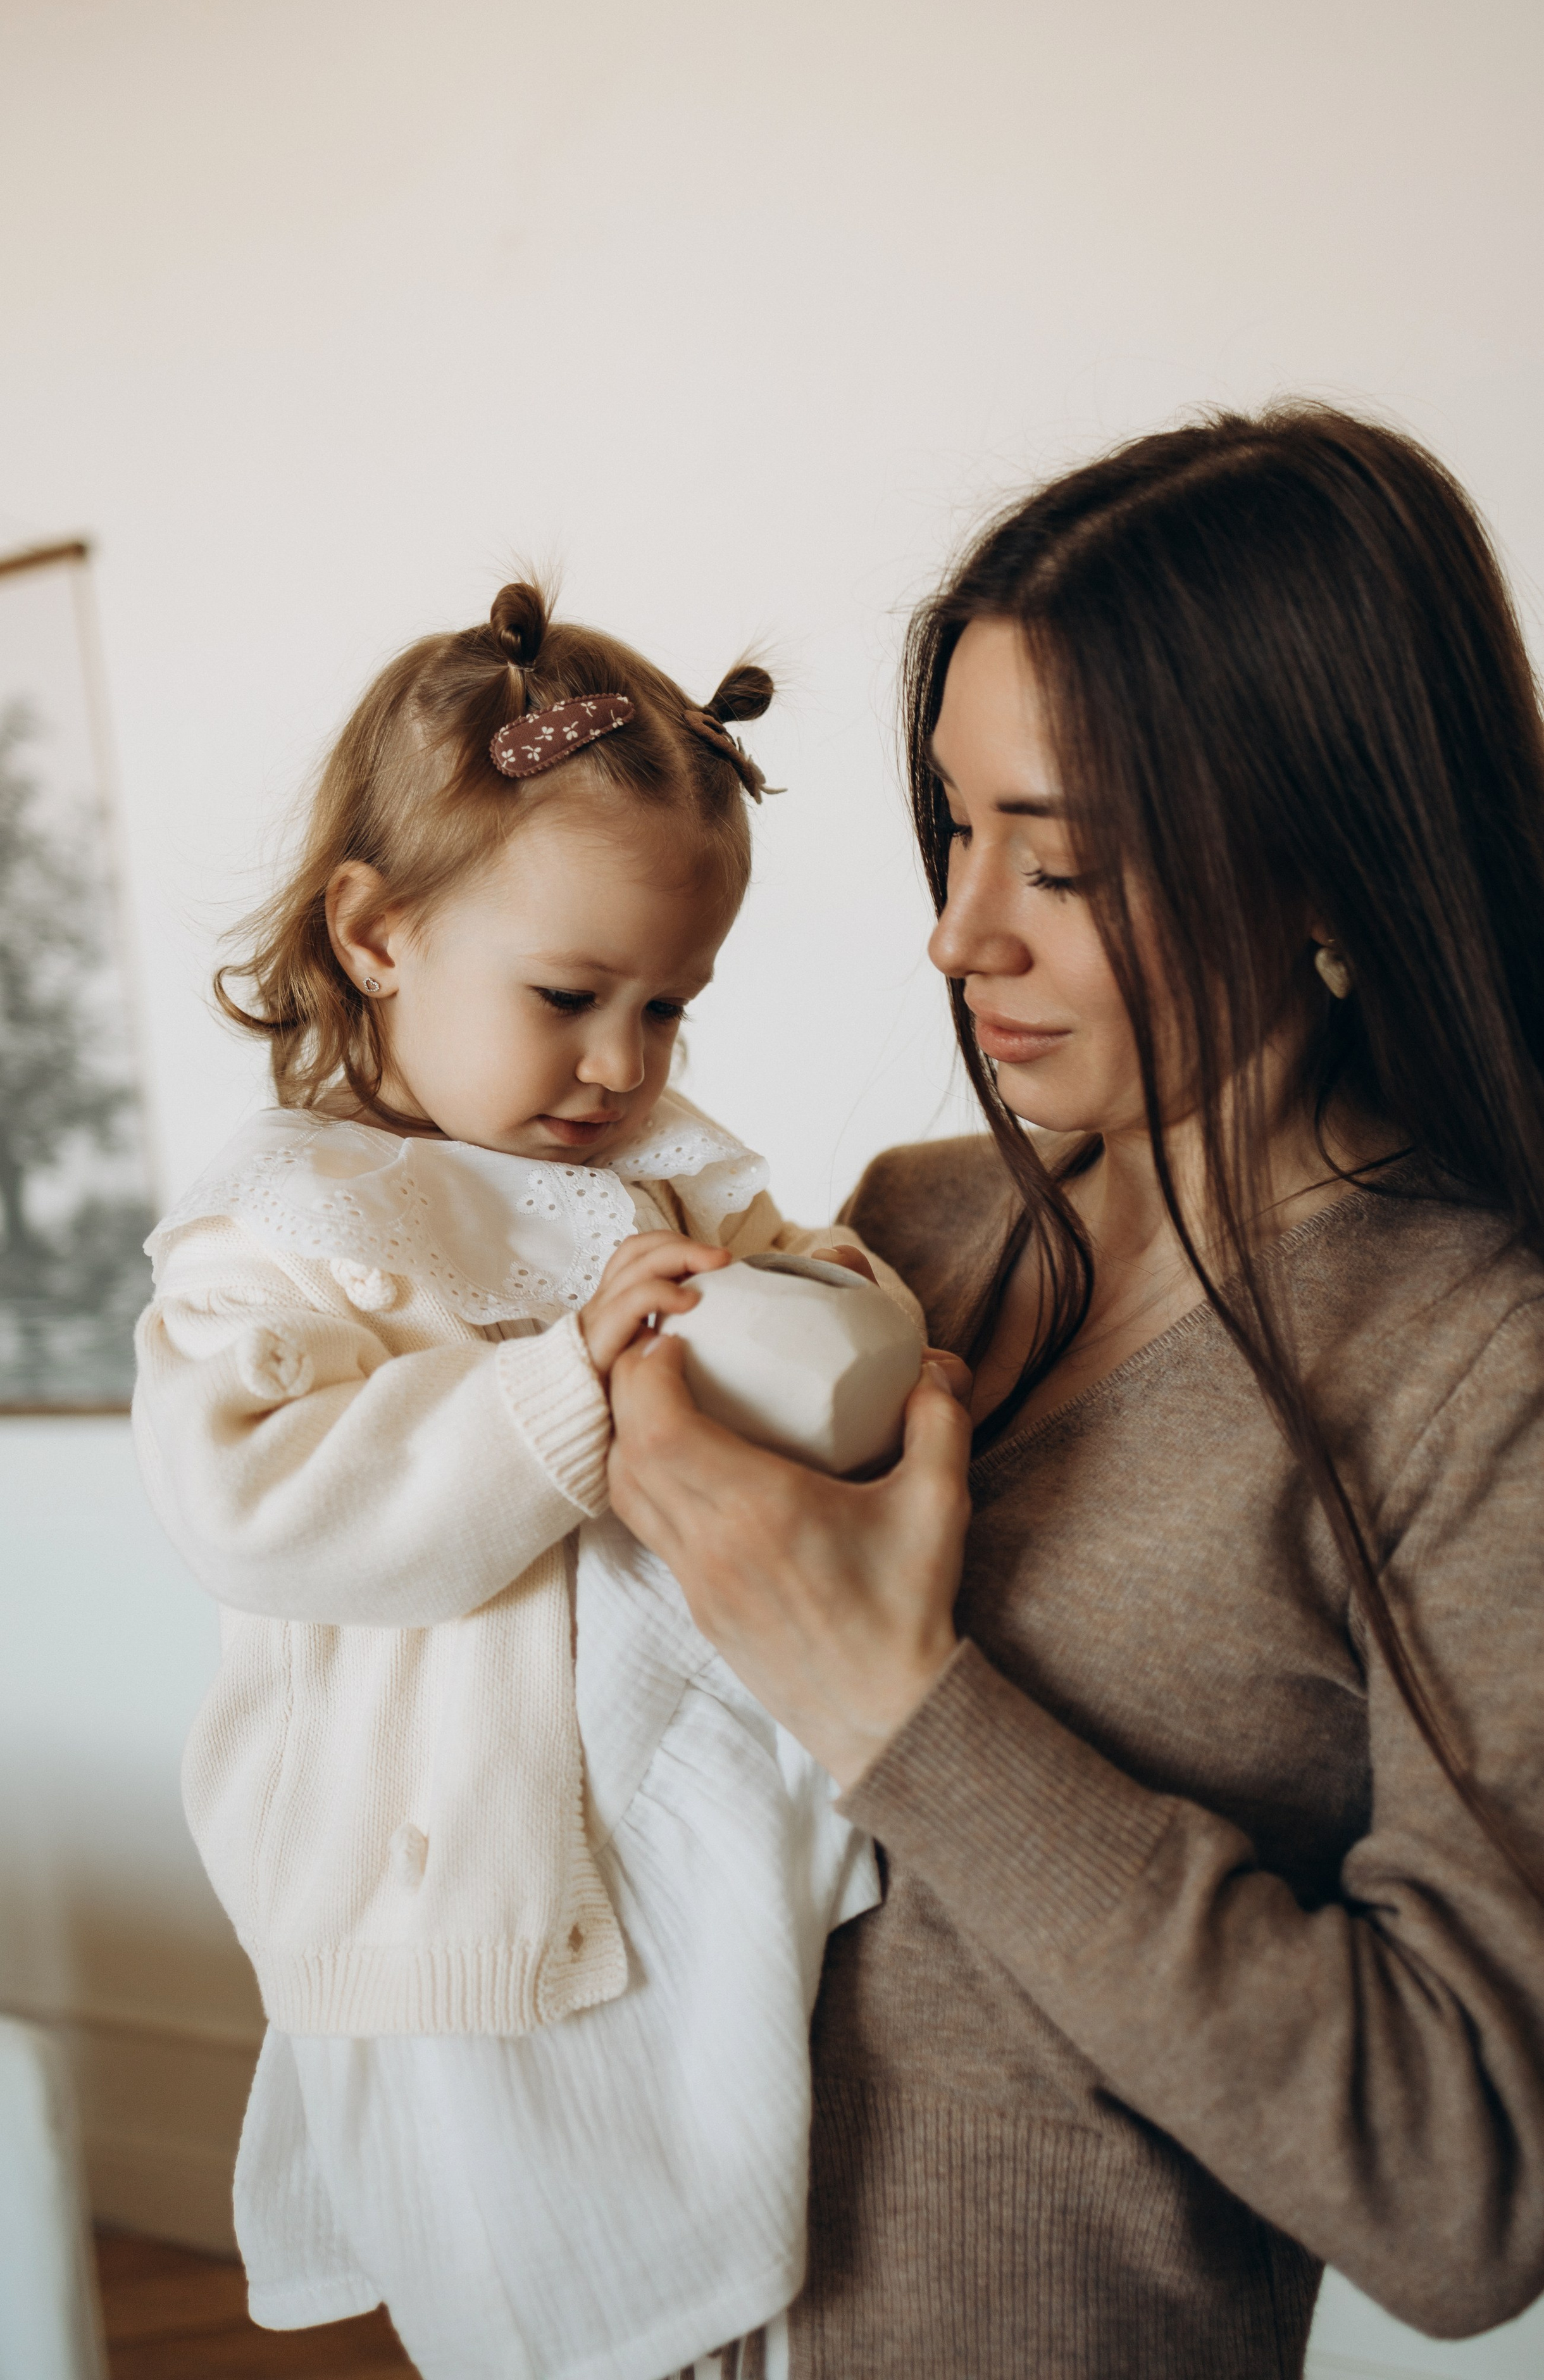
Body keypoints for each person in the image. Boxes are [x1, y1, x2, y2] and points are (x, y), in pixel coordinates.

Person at [609, 407, 1544, 2379]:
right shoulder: (907, 1236)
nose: (962, 933)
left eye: (1070, 858)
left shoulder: (1478, 1369)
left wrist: (894, 1700)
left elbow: (1469, 2191)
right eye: (958, 824)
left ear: (1331, 865)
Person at [132, 582, 921, 2380]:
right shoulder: (287, 1229)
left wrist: (842, 1309)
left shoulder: (662, 1164)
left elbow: (805, 1295)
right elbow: (257, 1506)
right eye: (573, 996)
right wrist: (558, 1387)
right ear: (377, 930)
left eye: (672, 1008)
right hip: (467, 1852)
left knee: (769, 2183)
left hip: (696, 1798)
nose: (623, 1066)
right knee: (551, 2259)